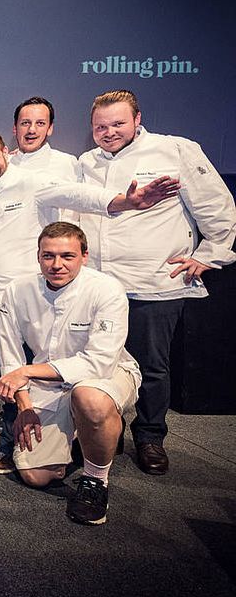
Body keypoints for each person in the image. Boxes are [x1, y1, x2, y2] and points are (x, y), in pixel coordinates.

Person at [0, 128, 180, 475]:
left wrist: (123, 202)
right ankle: (29, 432)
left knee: (30, 373)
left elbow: (77, 194)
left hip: (38, 297)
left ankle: (20, 443)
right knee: (5, 371)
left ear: (6, 152)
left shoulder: (31, 182)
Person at [75, 89, 236, 474]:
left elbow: (216, 206)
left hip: (155, 283)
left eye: (118, 123)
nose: (109, 132)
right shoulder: (86, 162)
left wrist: (209, 254)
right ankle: (102, 430)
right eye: (100, 127)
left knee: (152, 366)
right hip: (100, 285)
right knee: (97, 362)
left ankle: (150, 437)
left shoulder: (175, 150)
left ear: (137, 119)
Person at [0, 222, 140, 524]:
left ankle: (95, 480)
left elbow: (99, 362)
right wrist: (24, 405)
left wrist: (27, 372)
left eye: (67, 256)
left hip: (107, 375)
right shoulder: (17, 290)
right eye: (48, 256)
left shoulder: (106, 290)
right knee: (36, 475)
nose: (56, 264)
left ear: (84, 256)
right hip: (47, 382)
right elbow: (10, 356)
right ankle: (87, 434)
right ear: (38, 256)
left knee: (89, 399)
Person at [9, 97, 81, 182]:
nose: (32, 130)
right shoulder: (3, 164)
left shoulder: (68, 164)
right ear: (15, 128)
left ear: (50, 128)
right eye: (25, 123)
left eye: (40, 123)